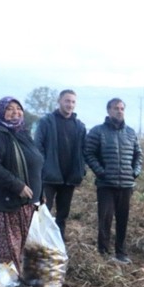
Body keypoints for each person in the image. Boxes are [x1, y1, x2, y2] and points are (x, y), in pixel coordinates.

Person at [0, 96, 44, 276]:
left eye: (18, 108)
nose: (15, 112)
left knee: (20, 245)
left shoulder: (22, 132)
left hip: (25, 202)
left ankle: (16, 279)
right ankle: (4, 284)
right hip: (4, 203)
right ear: (1, 112)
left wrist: (42, 190)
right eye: (9, 108)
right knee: (6, 248)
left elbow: (36, 162)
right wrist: (17, 185)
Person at [83, 98, 142, 264]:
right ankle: (103, 252)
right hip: (106, 185)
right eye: (116, 108)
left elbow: (138, 154)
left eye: (122, 108)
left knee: (123, 219)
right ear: (108, 110)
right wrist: (101, 172)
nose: (119, 111)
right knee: (105, 219)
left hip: (126, 184)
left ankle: (121, 252)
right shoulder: (97, 132)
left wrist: (135, 172)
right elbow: (88, 153)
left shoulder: (130, 133)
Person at [33, 89, 87, 241]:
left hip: (69, 178)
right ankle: (40, 244)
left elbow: (85, 151)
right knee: (44, 213)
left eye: (73, 102)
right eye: (67, 101)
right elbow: (38, 147)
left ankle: (58, 245)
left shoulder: (79, 126)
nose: (70, 104)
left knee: (63, 216)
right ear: (59, 101)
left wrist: (81, 170)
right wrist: (43, 168)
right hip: (49, 177)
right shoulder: (46, 122)